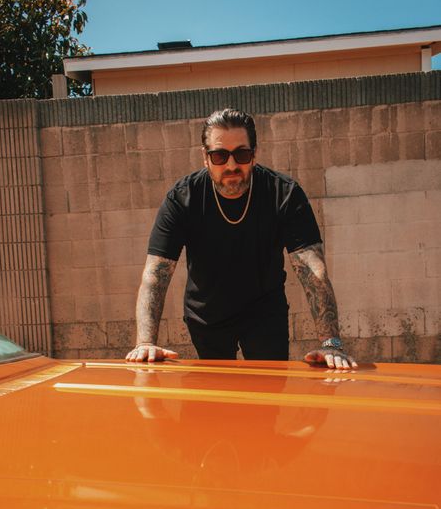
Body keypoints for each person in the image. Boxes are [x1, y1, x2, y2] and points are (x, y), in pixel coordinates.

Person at [126, 108, 357, 369]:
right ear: (205, 157)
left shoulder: (284, 194)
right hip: (206, 315)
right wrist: (145, 342)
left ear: (254, 154)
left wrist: (331, 343)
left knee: (269, 398)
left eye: (242, 154)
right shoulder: (182, 199)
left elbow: (313, 270)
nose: (231, 165)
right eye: (219, 155)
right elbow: (156, 273)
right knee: (219, 399)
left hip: (264, 313)